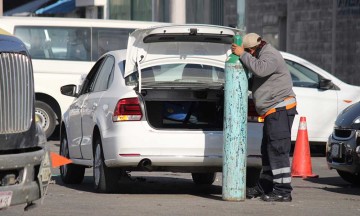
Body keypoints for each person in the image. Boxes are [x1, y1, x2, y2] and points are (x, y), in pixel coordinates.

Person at [231, 33, 297, 202]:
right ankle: (265, 186)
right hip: (272, 111)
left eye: (248, 51)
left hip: (280, 109)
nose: (248, 54)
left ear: (252, 49)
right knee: (268, 151)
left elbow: (260, 69)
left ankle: (283, 190)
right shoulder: (261, 53)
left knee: (277, 150)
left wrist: (242, 54)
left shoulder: (270, 54)